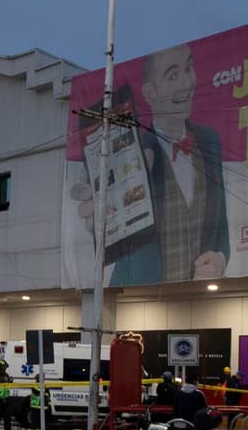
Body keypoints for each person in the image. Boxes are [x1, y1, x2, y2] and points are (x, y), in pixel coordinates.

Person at [74, 43, 229, 285]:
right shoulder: (131, 152)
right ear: (149, 93)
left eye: (189, 68)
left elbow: (221, 225)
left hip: (200, 298)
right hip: (138, 300)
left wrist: (220, 258)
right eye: (173, 75)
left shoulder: (210, 142)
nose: (187, 83)